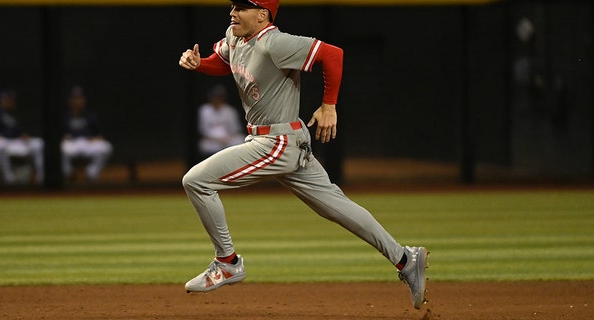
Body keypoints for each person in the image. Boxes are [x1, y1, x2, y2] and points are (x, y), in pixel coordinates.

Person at [178, 0, 428, 310]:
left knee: (197, 181)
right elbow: (222, 61)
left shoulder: (276, 42)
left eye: (241, 8)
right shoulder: (235, 37)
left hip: (276, 142)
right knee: (337, 207)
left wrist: (329, 105)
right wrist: (199, 63)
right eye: (232, 6)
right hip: (284, 141)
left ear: (262, 14)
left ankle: (227, 262)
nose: (232, 13)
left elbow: (332, 54)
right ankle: (406, 259)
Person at [0, 89, 44, 184]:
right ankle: (9, 178)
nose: (10, 102)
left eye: (12, 100)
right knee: (0, 144)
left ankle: (42, 177)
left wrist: (22, 135)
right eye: (7, 99)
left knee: (39, 143)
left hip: (13, 142)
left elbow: (16, 131)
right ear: (1, 100)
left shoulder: (14, 114)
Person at [61, 86, 112, 181]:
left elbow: (100, 136)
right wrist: (64, 137)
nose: (77, 101)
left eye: (80, 98)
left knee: (106, 147)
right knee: (58, 149)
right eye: (75, 98)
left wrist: (94, 139)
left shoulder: (91, 116)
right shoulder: (65, 117)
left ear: (84, 100)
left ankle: (91, 173)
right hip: (71, 144)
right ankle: (68, 172)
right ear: (70, 100)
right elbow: (60, 136)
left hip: (88, 143)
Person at [198, 84, 245, 158]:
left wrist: (227, 138)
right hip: (212, 141)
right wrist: (217, 140)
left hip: (228, 139)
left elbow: (235, 130)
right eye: (214, 97)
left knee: (240, 140)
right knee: (204, 146)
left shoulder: (230, 110)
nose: (216, 99)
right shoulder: (204, 110)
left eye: (219, 97)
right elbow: (203, 131)